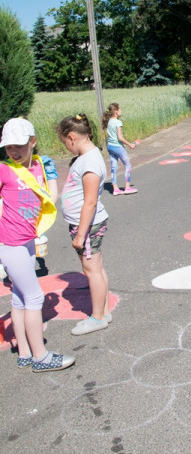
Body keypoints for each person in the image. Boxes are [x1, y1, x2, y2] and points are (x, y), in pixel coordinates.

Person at [0, 118, 75, 372]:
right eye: (9, 147)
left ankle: (23, 351)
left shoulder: (41, 166)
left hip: (28, 240)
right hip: (11, 244)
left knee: (21, 297)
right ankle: (40, 357)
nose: (13, 151)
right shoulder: (4, 169)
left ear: (33, 142)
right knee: (34, 297)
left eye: (19, 145)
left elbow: (51, 197)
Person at [57, 113, 111, 336]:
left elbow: (89, 201)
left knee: (91, 271)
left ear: (71, 137)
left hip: (87, 226)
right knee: (96, 268)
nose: (66, 148)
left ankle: (97, 317)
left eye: (64, 143)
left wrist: (80, 235)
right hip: (86, 225)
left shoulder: (89, 162)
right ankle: (104, 311)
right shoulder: (88, 156)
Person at [101, 102, 138, 196]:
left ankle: (115, 189)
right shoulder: (118, 122)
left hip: (110, 147)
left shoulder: (109, 122)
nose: (121, 111)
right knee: (128, 165)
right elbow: (120, 138)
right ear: (116, 112)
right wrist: (130, 144)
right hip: (118, 147)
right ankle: (127, 187)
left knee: (114, 167)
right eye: (120, 109)